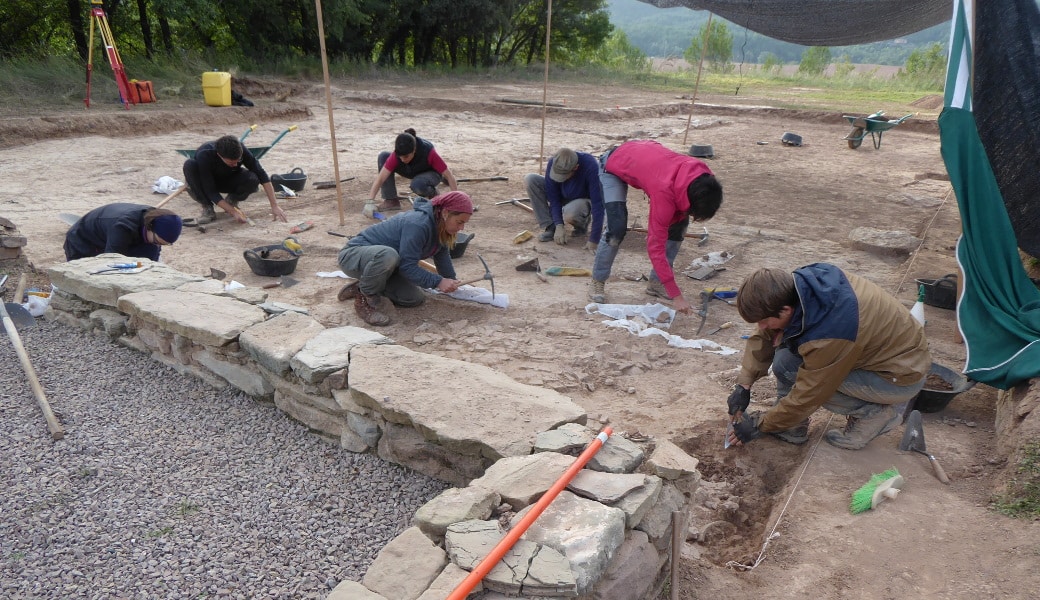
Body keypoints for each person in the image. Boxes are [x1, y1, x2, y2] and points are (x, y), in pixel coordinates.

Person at [725, 264, 932, 450]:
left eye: (763, 321)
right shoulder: (801, 288)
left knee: (799, 373)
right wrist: (744, 385)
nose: (760, 327)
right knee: (785, 359)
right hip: (878, 355)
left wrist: (760, 424)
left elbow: (811, 394)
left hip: (898, 376)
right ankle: (791, 427)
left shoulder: (831, 333)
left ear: (786, 310)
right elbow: (765, 334)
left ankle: (874, 415)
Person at [589, 140, 723, 313]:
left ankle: (656, 283)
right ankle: (597, 281)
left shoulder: (703, 176)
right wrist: (676, 296)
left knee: (678, 227)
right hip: (613, 165)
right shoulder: (664, 192)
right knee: (616, 228)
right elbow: (655, 247)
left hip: (646, 158)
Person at [337, 191, 474, 326]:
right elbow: (407, 266)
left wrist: (451, 280)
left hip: (387, 266)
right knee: (388, 255)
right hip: (354, 256)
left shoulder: (440, 225)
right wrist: (438, 281)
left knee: (413, 298)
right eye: (459, 222)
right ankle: (365, 298)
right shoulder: (418, 224)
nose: (461, 228)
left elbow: (442, 254)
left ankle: (364, 284)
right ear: (445, 213)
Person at [181, 135, 288, 225]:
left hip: (229, 178)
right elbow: (210, 190)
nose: (236, 165)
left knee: (253, 179)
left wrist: (274, 205)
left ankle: (231, 200)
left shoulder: (240, 148)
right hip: (207, 183)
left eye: (238, 161)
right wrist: (233, 212)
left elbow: (262, 175)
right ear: (219, 155)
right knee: (189, 165)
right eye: (231, 163)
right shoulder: (205, 155)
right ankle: (207, 207)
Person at [364, 128, 459, 215]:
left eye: (405, 156)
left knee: (418, 185)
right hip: (411, 170)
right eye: (400, 157)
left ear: (414, 150)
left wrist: (457, 201)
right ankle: (391, 200)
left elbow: (450, 176)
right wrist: (370, 201)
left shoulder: (428, 151)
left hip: (431, 172)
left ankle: (433, 193)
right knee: (383, 156)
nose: (402, 159)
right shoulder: (398, 155)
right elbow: (381, 178)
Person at [524, 147, 603, 248]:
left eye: (564, 175)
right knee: (530, 179)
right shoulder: (554, 162)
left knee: (571, 213)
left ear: (576, 167)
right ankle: (550, 227)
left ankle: (581, 226)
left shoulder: (591, 166)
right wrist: (559, 225)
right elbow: (554, 198)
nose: (560, 179)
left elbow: (598, 204)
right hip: (563, 195)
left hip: (581, 201)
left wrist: (594, 240)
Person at [64, 203, 182, 262]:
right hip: (83, 242)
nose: (158, 246)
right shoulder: (122, 228)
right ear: (150, 227)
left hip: (122, 237)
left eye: (163, 244)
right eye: (157, 241)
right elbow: (111, 262)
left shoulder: (154, 223)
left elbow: (151, 261)